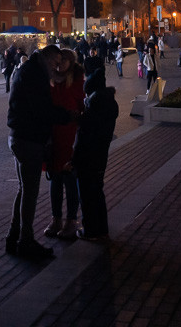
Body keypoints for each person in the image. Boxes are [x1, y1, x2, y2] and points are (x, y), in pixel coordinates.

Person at [5, 44, 74, 261]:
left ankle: (14, 236)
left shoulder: (28, 69)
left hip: (18, 136)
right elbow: (42, 109)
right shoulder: (35, 74)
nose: (56, 67)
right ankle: (25, 240)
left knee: (23, 189)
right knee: (30, 192)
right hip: (29, 139)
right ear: (49, 58)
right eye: (55, 63)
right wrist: (67, 116)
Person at [43, 48, 84, 241]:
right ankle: (56, 218)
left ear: (71, 62)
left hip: (70, 138)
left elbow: (82, 108)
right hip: (53, 138)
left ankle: (71, 220)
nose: (60, 64)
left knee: (70, 180)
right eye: (58, 60)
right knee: (55, 180)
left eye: (64, 60)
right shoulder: (50, 81)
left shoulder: (76, 82)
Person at [73, 64, 117, 241]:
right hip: (100, 156)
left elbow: (84, 135)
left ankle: (90, 230)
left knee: (87, 195)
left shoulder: (94, 105)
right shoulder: (108, 104)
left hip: (87, 158)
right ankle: (102, 229)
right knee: (97, 192)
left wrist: (79, 118)